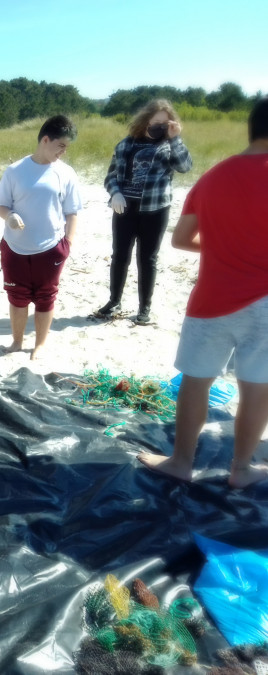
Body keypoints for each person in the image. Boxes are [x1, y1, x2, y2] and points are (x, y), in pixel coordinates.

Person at [137, 98, 268, 489]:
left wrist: (223, 246)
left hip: (211, 300)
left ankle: (180, 461)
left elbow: (181, 239)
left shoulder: (213, 177)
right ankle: (241, 469)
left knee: (196, 381)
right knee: (257, 386)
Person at [95, 99, 192, 325]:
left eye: (164, 123)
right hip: (124, 208)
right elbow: (110, 176)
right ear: (145, 121)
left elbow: (185, 167)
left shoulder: (170, 145)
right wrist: (115, 193)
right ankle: (114, 301)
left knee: (147, 259)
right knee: (120, 255)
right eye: (156, 122)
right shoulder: (125, 144)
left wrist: (175, 137)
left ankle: (144, 307)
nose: (159, 127)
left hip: (155, 209)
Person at [0, 115, 82, 360]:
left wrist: (67, 244)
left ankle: (40, 345)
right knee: (17, 298)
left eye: (66, 147)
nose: (64, 152)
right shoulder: (15, 171)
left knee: (46, 298)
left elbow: (72, 212)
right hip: (15, 247)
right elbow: (1, 205)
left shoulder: (66, 173)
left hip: (51, 248)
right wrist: (9, 216)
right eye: (61, 145)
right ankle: (17, 341)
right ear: (45, 139)